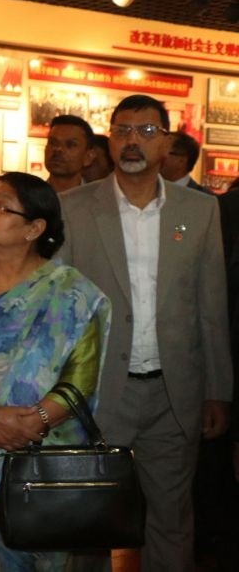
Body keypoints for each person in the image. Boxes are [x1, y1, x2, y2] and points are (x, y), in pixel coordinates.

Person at [60, 94, 232, 572]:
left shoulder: (200, 211)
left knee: (171, 520)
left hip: (173, 392)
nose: (133, 140)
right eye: (123, 131)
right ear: (108, 141)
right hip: (95, 392)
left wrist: (217, 390)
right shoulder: (72, 208)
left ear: (167, 143)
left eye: (147, 131)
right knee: (87, 521)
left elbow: (211, 306)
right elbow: (58, 307)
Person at [0, 172, 110, 570]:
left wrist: (33, 423)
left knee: (33, 552)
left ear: (34, 228)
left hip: (42, 455)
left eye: (1, 206)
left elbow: (80, 377)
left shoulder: (72, 292)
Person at [45, 114, 94, 193]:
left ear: (88, 157)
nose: (58, 149)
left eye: (70, 145)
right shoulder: (29, 197)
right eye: (53, 142)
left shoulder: (100, 199)